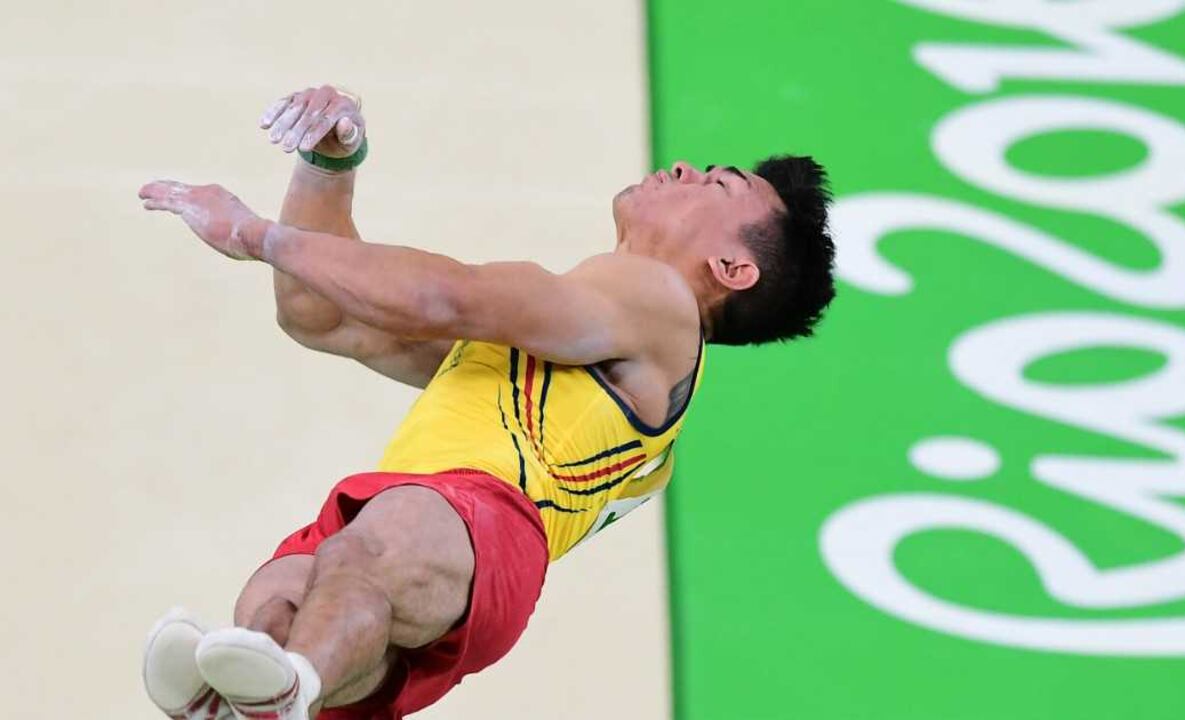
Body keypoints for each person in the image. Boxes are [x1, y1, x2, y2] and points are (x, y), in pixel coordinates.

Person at [137, 84, 835, 720]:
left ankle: (280, 694)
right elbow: (326, 316)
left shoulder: (664, 306)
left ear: (732, 270)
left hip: (480, 519)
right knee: (281, 596)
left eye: (716, 184)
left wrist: (253, 234)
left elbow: (447, 295)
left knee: (365, 550)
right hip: (441, 543)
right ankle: (255, 702)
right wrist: (327, 170)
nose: (684, 167)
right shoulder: (579, 344)